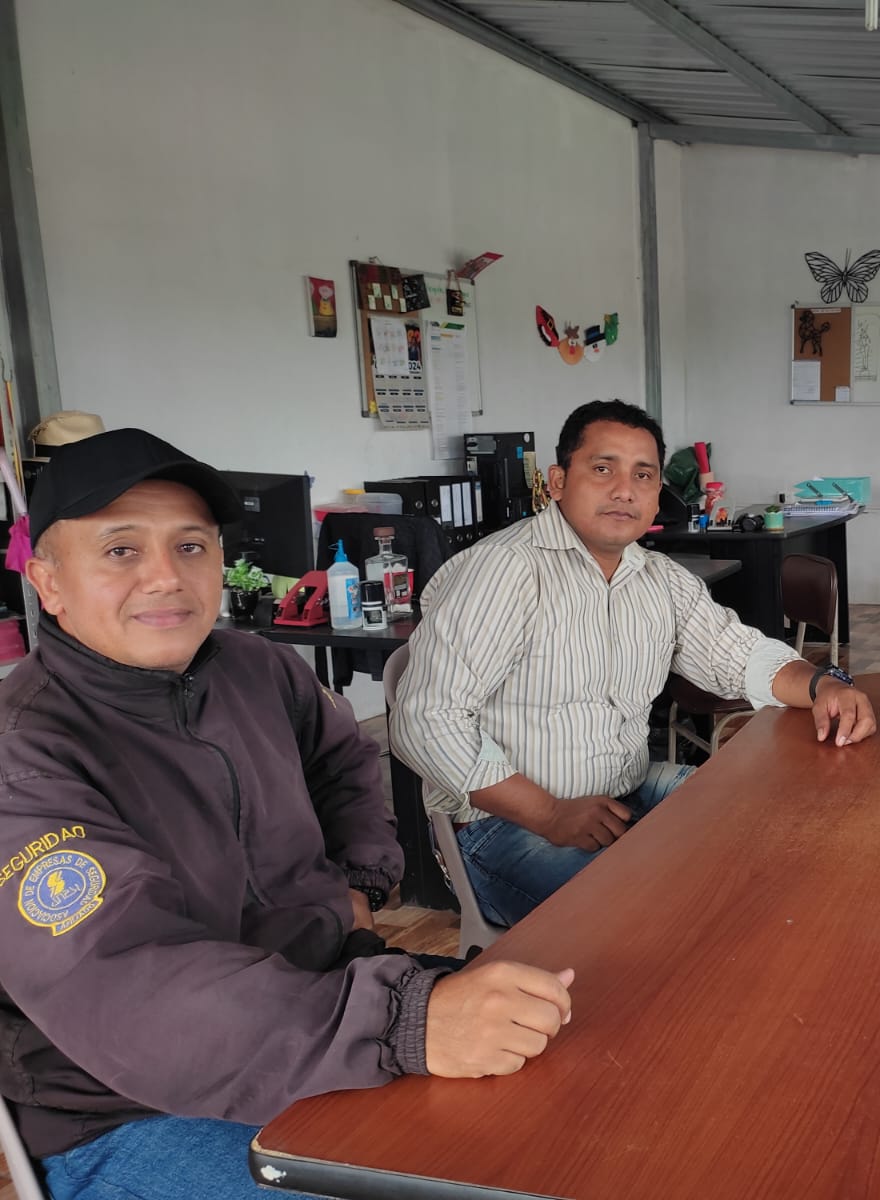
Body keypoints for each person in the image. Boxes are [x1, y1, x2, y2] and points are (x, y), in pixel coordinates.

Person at [0, 429, 576, 1200]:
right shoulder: (25, 755)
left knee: (575, 1102)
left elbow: (343, 763)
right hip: (126, 1109)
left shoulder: (256, 668)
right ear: (48, 582)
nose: (165, 577)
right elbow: (131, 987)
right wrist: (404, 1024)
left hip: (320, 1005)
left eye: (191, 546)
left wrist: (359, 882)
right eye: (120, 551)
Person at [391, 400, 878, 926]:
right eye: (603, 469)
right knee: (671, 919)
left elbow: (739, 655)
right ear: (557, 481)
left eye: (643, 475)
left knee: (784, 832)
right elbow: (426, 719)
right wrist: (549, 813)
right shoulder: (502, 572)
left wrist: (824, 685)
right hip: (508, 827)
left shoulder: (660, 579)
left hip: (629, 791)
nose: (625, 490)